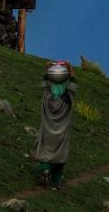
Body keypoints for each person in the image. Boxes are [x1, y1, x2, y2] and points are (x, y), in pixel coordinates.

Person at [32, 60, 76, 190]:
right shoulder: (68, 100)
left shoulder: (46, 97)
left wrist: (47, 70)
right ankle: (55, 185)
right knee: (60, 158)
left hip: (47, 130)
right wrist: (70, 70)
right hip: (62, 132)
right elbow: (73, 85)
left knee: (44, 152)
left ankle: (45, 169)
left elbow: (44, 85)